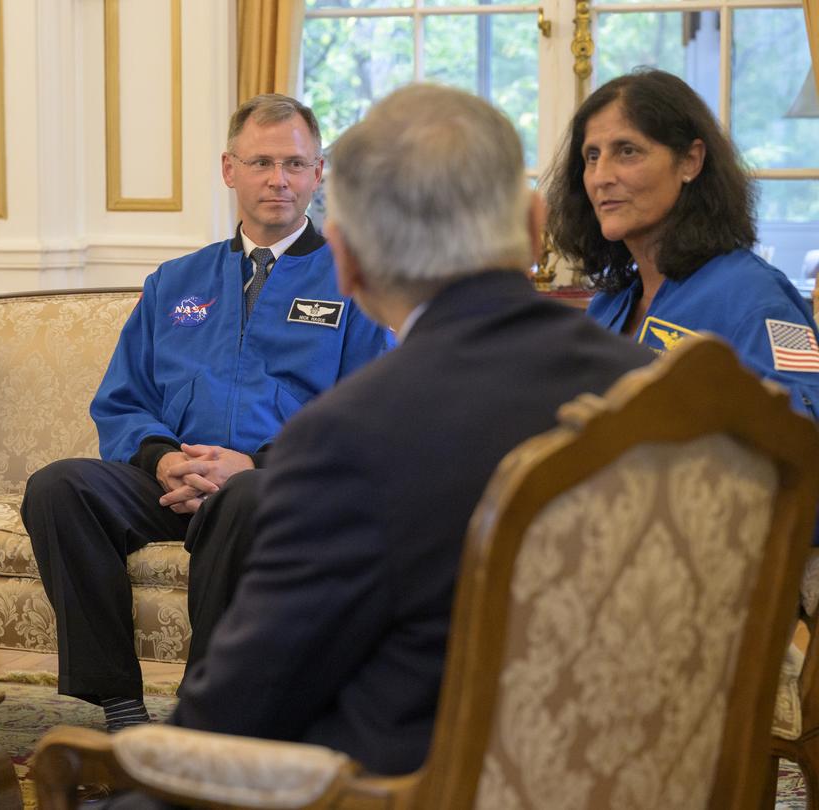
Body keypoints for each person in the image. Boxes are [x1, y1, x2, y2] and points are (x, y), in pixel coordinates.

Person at [166, 84, 653, 779]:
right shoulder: (665, 393)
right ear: (535, 224)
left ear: (346, 260)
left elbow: (226, 727)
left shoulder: (345, 442)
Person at [21, 94, 392, 732]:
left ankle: (207, 714)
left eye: (296, 165)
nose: (279, 180)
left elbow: (370, 410)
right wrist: (162, 459)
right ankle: (119, 705)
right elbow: (122, 398)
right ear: (229, 169)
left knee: (244, 498)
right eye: (262, 162)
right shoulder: (175, 280)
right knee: (59, 487)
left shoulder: (356, 278)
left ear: (319, 172)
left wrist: (253, 464)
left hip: (277, 486)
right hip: (173, 479)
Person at [546, 68, 819, 419]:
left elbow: (804, 439)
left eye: (627, 151)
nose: (601, 177)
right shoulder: (607, 305)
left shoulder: (754, 297)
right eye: (592, 156)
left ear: (690, 161)